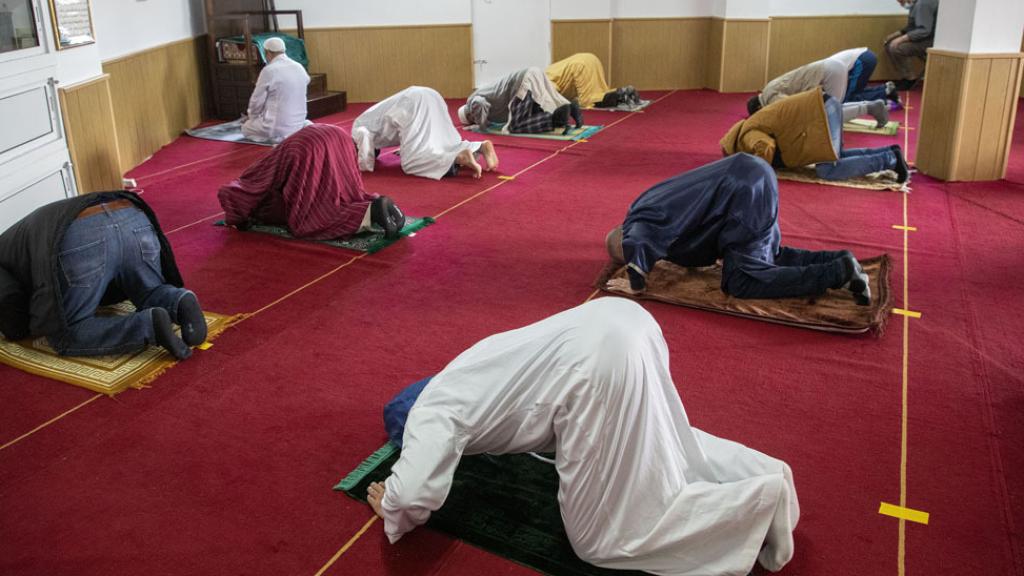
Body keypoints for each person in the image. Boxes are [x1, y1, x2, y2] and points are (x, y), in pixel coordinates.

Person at [366, 297, 801, 576]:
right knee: (662, 440)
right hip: (626, 319)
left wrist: (390, 502)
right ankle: (767, 472)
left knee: (601, 538)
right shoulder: (465, 366)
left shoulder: (430, 413)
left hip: (595, 370)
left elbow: (412, 496)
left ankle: (756, 505)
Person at [604, 154, 871, 303]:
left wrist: (634, 286)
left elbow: (637, 244)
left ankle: (837, 273)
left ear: (622, 236)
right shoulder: (644, 203)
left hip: (742, 196)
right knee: (769, 257)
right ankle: (841, 260)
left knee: (741, 281)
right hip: (753, 173)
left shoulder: (637, 227)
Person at [0, 193, 205, 360]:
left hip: (80, 236)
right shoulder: (11, 237)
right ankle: (179, 301)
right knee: (148, 289)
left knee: (66, 333)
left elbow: (10, 305)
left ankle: (148, 325)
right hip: (130, 214)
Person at [218, 124, 406, 240]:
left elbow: (237, 193)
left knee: (311, 219)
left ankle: (371, 211)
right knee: (345, 192)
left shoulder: (252, 176)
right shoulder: (274, 156)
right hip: (337, 135)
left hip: (307, 148)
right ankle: (380, 204)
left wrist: (237, 219)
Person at [723, 88, 910, 184]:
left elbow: (766, 146)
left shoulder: (745, 136)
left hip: (819, 115)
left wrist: (759, 171)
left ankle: (890, 160)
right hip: (823, 107)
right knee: (834, 155)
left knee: (828, 169)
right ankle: (890, 152)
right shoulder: (751, 124)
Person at [352, 86, 499, 180]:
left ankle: (458, 158)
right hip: (428, 94)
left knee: (412, 163)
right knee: (442, 142)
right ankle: (479, 146)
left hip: (411, 104)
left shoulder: (357, 129)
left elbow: (364, 141)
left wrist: (363, 168)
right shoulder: (370, 121)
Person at [748, 48, 896, 126]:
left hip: (830, 73)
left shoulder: (770, 97)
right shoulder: (768, 88)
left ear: (760, 109)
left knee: (829, 115)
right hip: (831, 69)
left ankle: (871, 107)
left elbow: (791, 108)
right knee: (830, 110)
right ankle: (871, 105)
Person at [458, 67, 583, 134]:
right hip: (530, 74)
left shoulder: (471, 102)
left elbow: (478, 104)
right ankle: (570, 107)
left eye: (471, 119)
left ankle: (555, 119)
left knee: (515, 125)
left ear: (469, 114)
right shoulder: (487, 103)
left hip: (521, 83)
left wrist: (480, 127)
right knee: (535, 109)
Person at [241, 37, 311, 144]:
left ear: (267, 53)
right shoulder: (299, 66)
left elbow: (256, 100)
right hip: (298, 123)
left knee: (245, 128)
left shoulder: (269, 70)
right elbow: (306, 81)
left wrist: (252, 118)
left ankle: (277, 137)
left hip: (276, 126)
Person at [545, 53, 638, 109]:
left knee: (586, 100)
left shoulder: (541, 80)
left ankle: (620, 96)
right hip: (591, 59)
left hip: (580, 66)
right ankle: (623, 91)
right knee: (599, 91)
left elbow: (552, 89)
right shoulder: (545, 72)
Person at [884, 0, 939, 90]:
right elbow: (912, 27)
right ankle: (905, 77)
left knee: (896, 48)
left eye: (901, 1)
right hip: (923, 39)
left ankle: (910, 79)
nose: (901, 4)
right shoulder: (916, 3)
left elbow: (924, 31)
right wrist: (897, 34)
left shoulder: (924, 4)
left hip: (931, 42)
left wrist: (901, 39)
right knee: (890, 44)